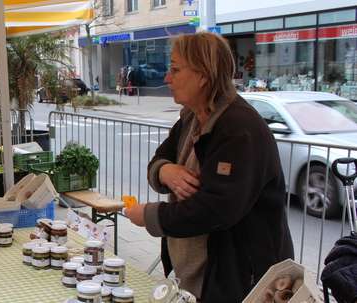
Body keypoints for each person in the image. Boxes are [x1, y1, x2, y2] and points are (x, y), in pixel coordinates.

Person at [124, 32, 294, 302]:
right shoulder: (193, 116)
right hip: (197, 275)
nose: (168, 78)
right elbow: (159, 158)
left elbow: (216, 209)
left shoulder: (239, 129)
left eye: (176, 69)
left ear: (203, 75)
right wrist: (164, 170)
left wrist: (150, 216)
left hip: (238, 280)